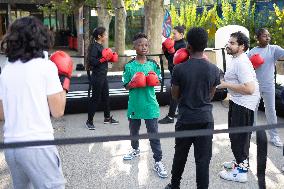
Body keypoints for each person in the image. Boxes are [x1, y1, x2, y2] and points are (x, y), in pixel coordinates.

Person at [0, 16, 68, 188]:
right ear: (41, 37)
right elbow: (58, 111)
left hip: (11, 146)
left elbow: (2, 114)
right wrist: (65, 80)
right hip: (38, 145)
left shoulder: (6, 70)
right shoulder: (45, 67)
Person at [165, 27, 220, 189]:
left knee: (180, 155)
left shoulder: (179, 69)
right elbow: (210, 95)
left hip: (185, 119)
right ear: (205, 45)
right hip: (205, 119)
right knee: (203, 160)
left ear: (188, 46)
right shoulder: (214, 69)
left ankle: (174, 185)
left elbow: (175, 95)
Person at [122, 32, 168, 178]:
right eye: (140, 44)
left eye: (146, 45)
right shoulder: (129, 66)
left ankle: (158, 161)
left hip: (150, 105)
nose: (144, 47)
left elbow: (160, 80)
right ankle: (135, 149)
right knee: (133, 131)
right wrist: (134, 83)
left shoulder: (153, 64)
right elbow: (125, 86)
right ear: (134, 46)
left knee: (153, 134)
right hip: (135, 105)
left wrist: (153, 80)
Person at [217, 31, 260, 183]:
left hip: (244, 103)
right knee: (236, 136)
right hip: (238, 101)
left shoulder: (242, 62)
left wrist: (225, 84)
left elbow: (249, 89)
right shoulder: (236, 58)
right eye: (229, 42)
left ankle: (241, 172)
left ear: (242, 46)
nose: (228, 45)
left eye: (232, 43)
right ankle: (240, 163)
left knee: (239, 138)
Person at [248, 28, 284, 147]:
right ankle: (251, 132)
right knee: (253, 109)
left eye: (268, 35)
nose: (267, 38)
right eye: (264, 36)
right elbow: (246, 68)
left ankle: (274, 136)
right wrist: (252, 64)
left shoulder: (274, 49)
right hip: (256, 85)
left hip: (269, 86)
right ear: (257, 38)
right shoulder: (252, 52)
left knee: (271, 111)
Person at [85, 27, 119, 130]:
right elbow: (92, 62)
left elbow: (103, 60)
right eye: (105, 34)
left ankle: (107, 118)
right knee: (95, 99)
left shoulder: (100, 46)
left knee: (106, 97)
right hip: (97, 77)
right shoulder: (94, 47)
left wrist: (110, 58)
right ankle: (89, 121)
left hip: (103, 76)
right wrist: (104, 58)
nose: (106, 35)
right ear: (99, 36)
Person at [159, 26, 187, 124]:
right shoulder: (175, 44)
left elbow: (175, 59)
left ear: (181, 35)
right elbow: (169, 58)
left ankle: (170, 117)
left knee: (174, 94)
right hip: (174, 71)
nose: (173, 35)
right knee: (178, 94)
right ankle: (180, 112)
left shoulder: (183, 45)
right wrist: (166, 49)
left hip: (179, 73)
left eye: (175, 33)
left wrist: (170, 50)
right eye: (172, 33)